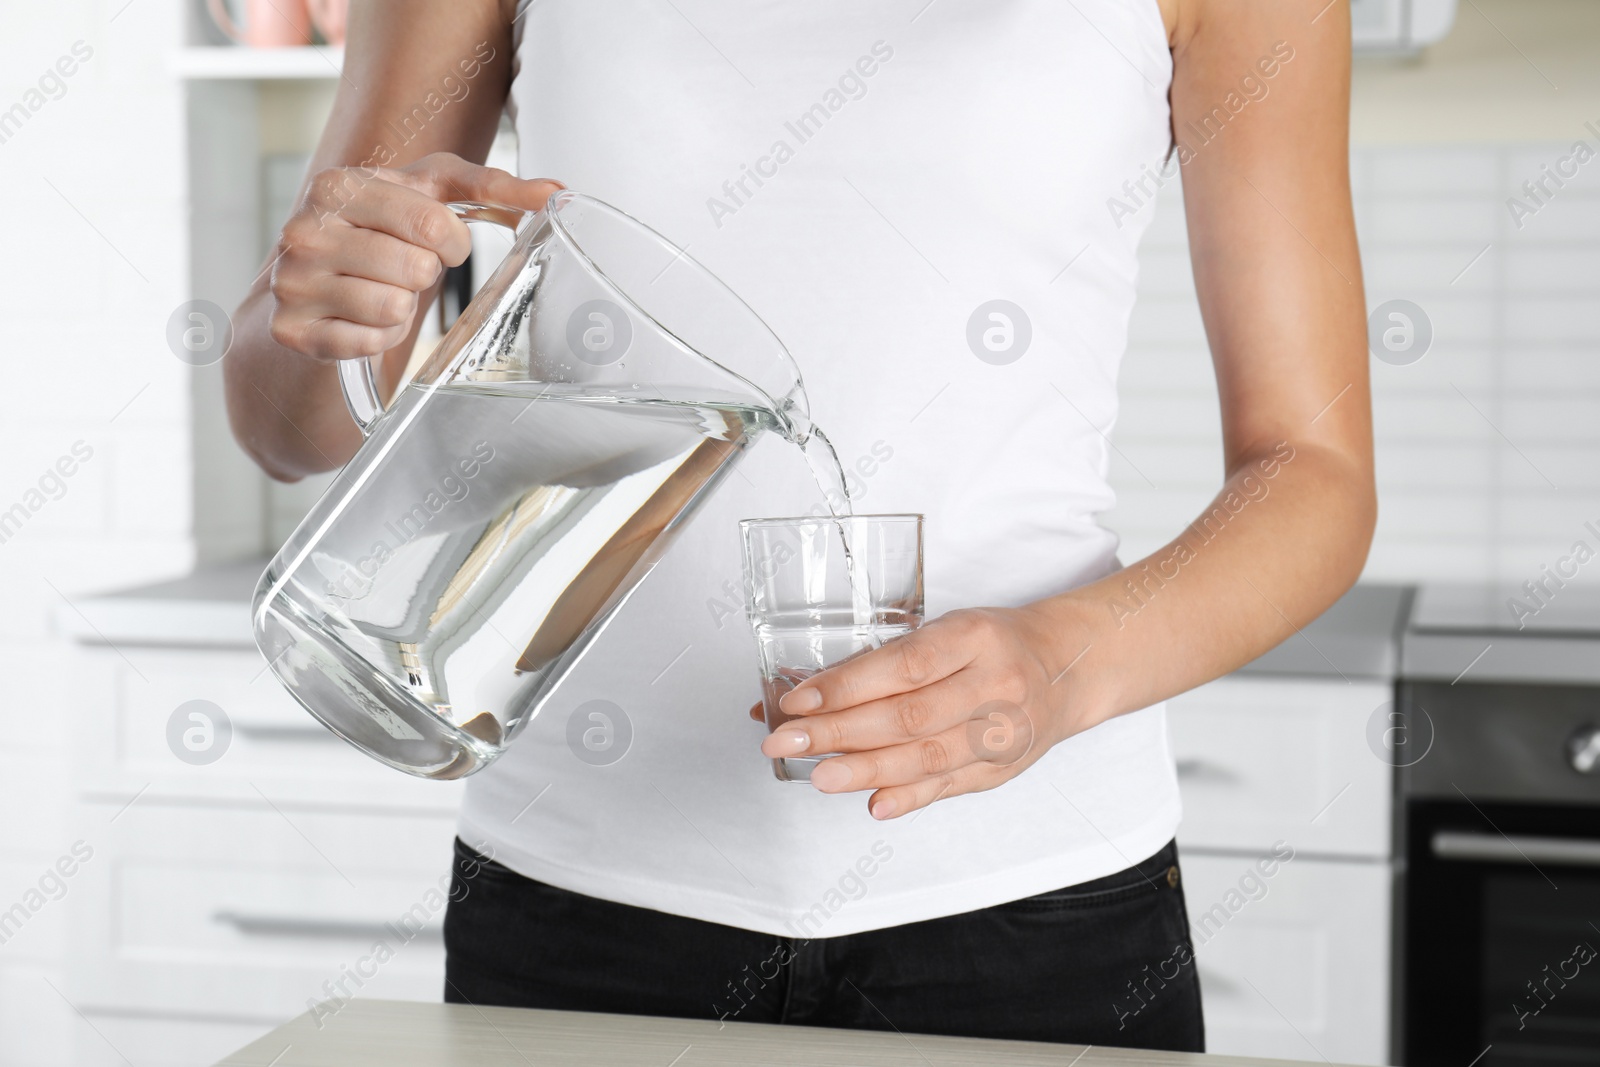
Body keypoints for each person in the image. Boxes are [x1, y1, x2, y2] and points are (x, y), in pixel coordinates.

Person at [224, 0, 1374, 1051]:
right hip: (580, 899)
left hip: (1034, 904)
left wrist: (1061, 670)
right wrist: (323, 303)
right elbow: (283, 420)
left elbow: (1312, 472)